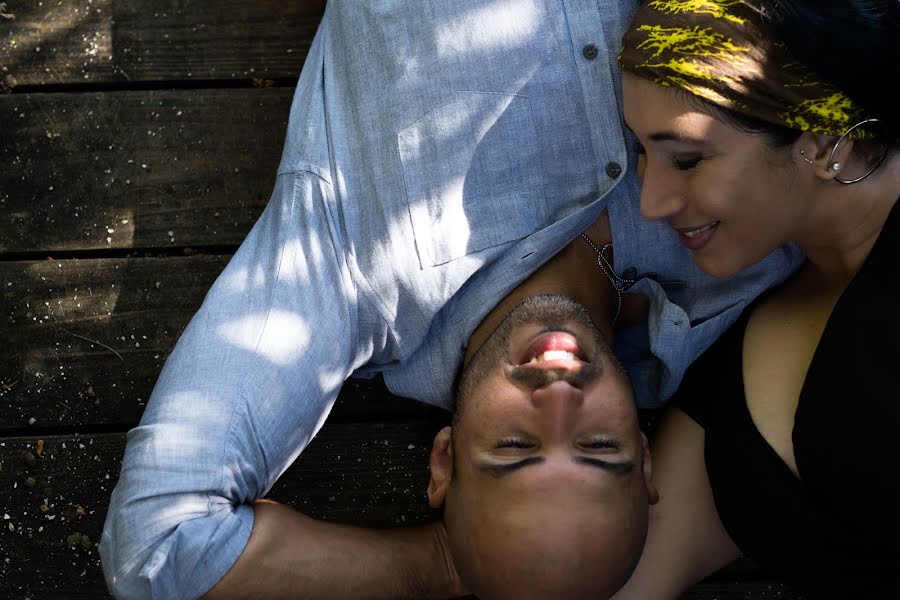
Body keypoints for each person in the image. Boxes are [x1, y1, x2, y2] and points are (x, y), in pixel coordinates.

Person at [98, 2, 801, 599]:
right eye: (598, 445)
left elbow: (158, 545)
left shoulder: (351, 278)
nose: (560, 394)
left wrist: (442, 563)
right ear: (646, 457)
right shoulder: (748, 269)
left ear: (445, 462)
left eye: (515, 446)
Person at [611, 0, 900, 598]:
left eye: (686, 160)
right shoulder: (736, 348)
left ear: (823, 143)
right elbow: (632, 577)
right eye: (640, 150)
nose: (651, 202)